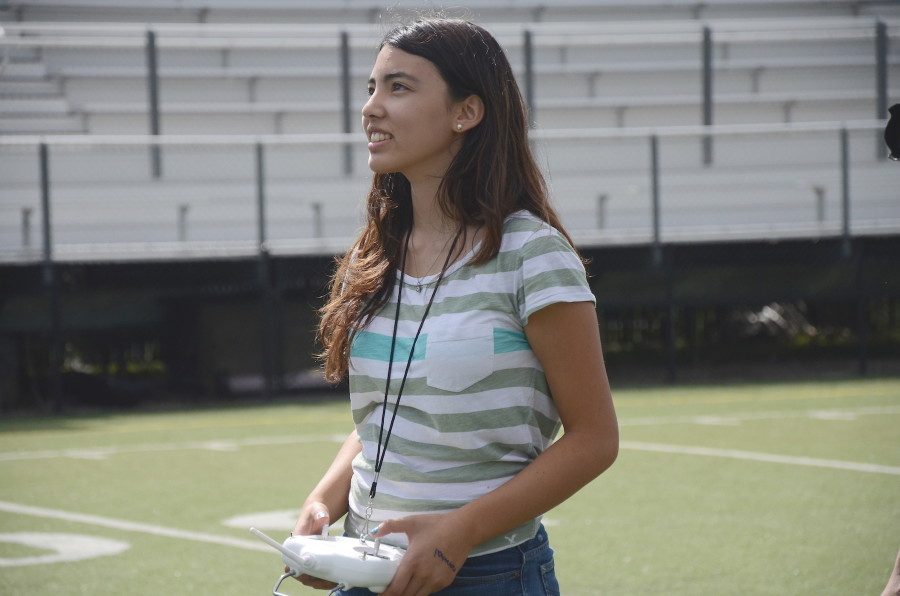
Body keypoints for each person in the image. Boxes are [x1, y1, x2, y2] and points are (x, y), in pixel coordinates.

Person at [290, 17, 618, 596]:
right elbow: (382, 417)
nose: (371, 108)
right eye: (370, 88)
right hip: (365, 568)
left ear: (466, 112)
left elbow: (595, 439)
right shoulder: (374, 257)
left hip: (488, 574)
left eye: (398, 87)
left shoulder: (532, 254)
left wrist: (460, 531)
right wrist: (324, 500)